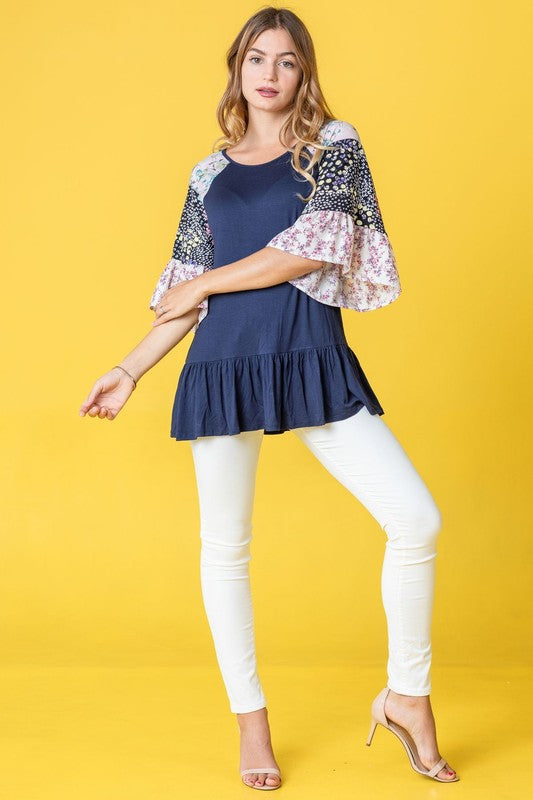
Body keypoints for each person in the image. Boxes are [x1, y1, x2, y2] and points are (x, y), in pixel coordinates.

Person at [79, 6, 459, 791]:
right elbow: (178, 299)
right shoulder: (207, 175)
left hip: (310, 358)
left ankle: (406, 697)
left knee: (415, 519)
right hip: (221, 367)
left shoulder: (333, 150)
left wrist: (209, 279)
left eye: (286, 61)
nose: (270, 74)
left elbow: (302, 253)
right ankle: (251, 724)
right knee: (226, 550)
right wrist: (130, 367)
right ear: (237, 68)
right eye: (257, 58)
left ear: (303, 72)